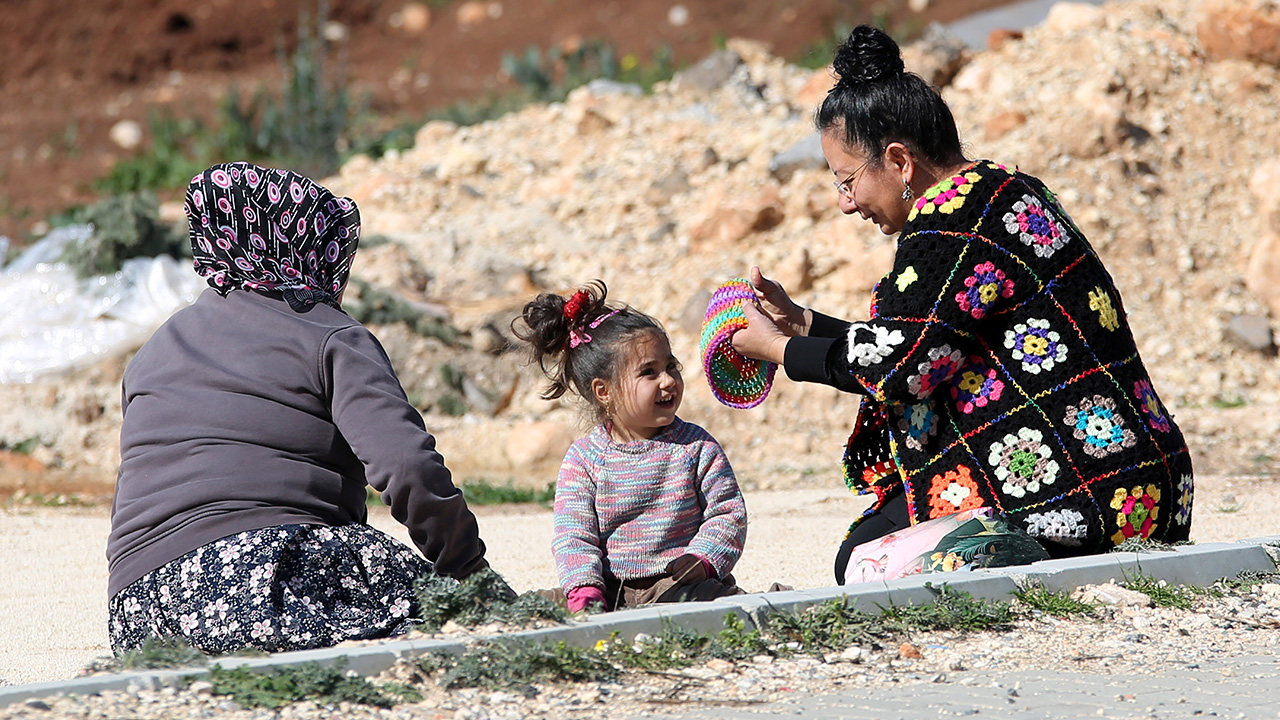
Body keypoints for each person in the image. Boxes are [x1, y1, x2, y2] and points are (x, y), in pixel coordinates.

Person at [730, 25, 1193, 583]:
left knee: (865, 565)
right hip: (1150, 481)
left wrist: (778, 349)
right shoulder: (1005, 191)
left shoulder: (948, 229)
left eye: (848, 181)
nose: (846, 204)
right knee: (870, 544)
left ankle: (1022, 546)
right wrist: (802, 323)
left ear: (900, 162)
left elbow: (903, 368)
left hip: (1086, 492)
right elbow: (928, 340)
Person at [107, 162, 491, 655]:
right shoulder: (330, 335)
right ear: (313, 247)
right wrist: (470, 574)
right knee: (446, 622)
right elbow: (408, 468)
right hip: (263, 581)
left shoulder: (153, 350)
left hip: (140, 613)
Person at [512, 281, 748, 612]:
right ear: (603, 391)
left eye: (670, 366)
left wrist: (704, 558)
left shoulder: (696, 447)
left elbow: (728, 513)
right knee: (534, 610)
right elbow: (574, 535)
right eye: (648, 373)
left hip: (679, 585)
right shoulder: (585, 459)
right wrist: (583, 587)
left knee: (730, 608)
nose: (667, 380)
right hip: (607, 590)